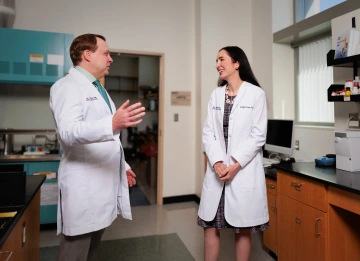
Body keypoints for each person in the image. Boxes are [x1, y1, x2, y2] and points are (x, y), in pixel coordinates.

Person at [50, 33, 145, 261]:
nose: (110, 59)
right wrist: (112, 123)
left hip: (99, 184)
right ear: (87, 54)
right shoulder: (67, 86)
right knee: (74, 253)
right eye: (106, 53)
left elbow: (109, 138)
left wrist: (123, 165)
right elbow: (68, 131)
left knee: (92, 251)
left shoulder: (97, 89)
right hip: (84, 188)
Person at [198, 46, 269, 261]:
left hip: (243, 171)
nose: (217, 64)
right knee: (210, 226)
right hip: (217, 171)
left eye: (222, 59)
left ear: (236, 63)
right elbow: (208, 132)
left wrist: (236, 164)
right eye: (216, 60)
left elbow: (258, 135)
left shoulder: (256, 94)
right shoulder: (216, 95)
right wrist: (217, 162)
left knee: (242, 228)